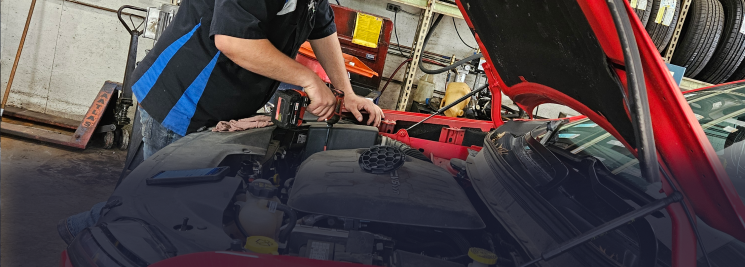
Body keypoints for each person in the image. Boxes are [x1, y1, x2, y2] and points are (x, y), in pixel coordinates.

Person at [58, 0, 384, 244]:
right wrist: (311, 82)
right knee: (164, 205)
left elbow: (321, 26)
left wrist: (346, 92)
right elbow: (233, 40)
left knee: (174, 197)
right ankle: (86, 239)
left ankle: (89, 230)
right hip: (182, 97)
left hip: (222, 109)